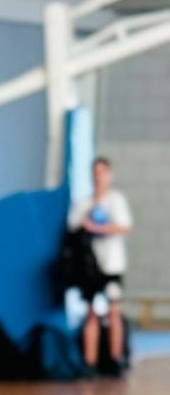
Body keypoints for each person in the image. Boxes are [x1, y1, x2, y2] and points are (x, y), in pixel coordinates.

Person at [72, 157, 134, 373]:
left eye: (102, 172)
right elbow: (74, 225)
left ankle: (116, 359)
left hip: (112, 265)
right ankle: (90, 363)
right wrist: (87, 222)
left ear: (109, 175)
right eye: (95, 172)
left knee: (113, 311)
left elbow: (124, 227)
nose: (98, 177)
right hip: (91, 267)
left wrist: (100, 228)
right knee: (91, 313)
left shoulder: (116, 200)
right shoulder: (84, 203)